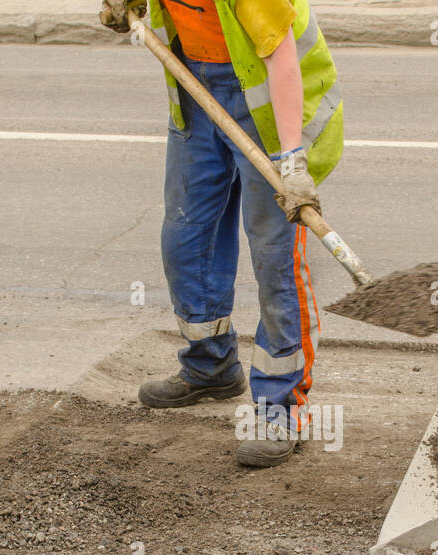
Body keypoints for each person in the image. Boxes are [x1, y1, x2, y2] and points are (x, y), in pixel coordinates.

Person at [99, 0, 344, 467]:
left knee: (275, 258)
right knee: (187, 242)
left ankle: (281, 408)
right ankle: (210, 365)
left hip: (269, 106)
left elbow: (282, 59)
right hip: (196, 88)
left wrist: (291, 161)